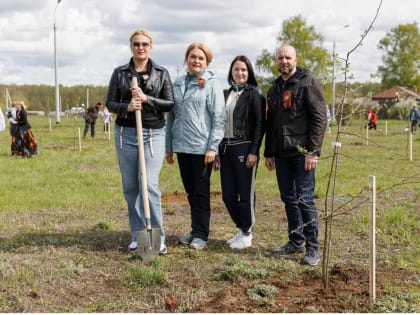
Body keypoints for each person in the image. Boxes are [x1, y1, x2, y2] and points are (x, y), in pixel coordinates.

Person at [106, 29, 174, 254]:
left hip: (153, 133)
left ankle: (158, 237)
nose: (140, 47)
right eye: (136, 44)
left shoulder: (162, 73)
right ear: (131, 47)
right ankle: (138, 236)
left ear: (151, 46)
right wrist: (127, 107)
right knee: (132, 186)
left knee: (148, 185)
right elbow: (110, 103)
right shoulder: (120, 73)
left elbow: (169, 103)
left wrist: (147, 99)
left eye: (145, 44)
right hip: (126, 134)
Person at [264, 44, 327, 266]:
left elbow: (320, 118)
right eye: (280, 58)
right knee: (288, 199)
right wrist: (269, 153)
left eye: (287, 57)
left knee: (304, 198)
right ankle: (295, 241)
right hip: (281, 154)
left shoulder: (308, 82)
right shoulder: (274, 89)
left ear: (295, 59)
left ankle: (312, 247)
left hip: (302, 154)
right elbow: (271, 124)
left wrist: (313, 151)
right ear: (276, 61)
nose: (284, 61)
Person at [165, 43, 226, 250]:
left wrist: (212, 147)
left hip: (202, 148)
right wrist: (169, 146)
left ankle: (202, 233)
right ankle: (195, 229)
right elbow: (171, 116)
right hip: (182, 146)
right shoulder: (178, 83)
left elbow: (219, 118)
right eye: (192, 57)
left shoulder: (211, 84)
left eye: (201, 58)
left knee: (201, 192)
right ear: (186, 59)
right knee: (190, 191)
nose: (196, 61)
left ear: (207, 62)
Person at [215, 55, 265, 249]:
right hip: (225, 148)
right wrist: (217, 150)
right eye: (236, 69)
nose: (240, 73)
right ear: (231, 72)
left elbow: (260, 125)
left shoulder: (255, 94)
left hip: (245, 147)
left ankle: (247, 232)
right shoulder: (225, 94)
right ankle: (241, 227)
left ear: (249, 72)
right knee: (228, 194)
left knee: (245, 193)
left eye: (243, 69)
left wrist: (254, 151)